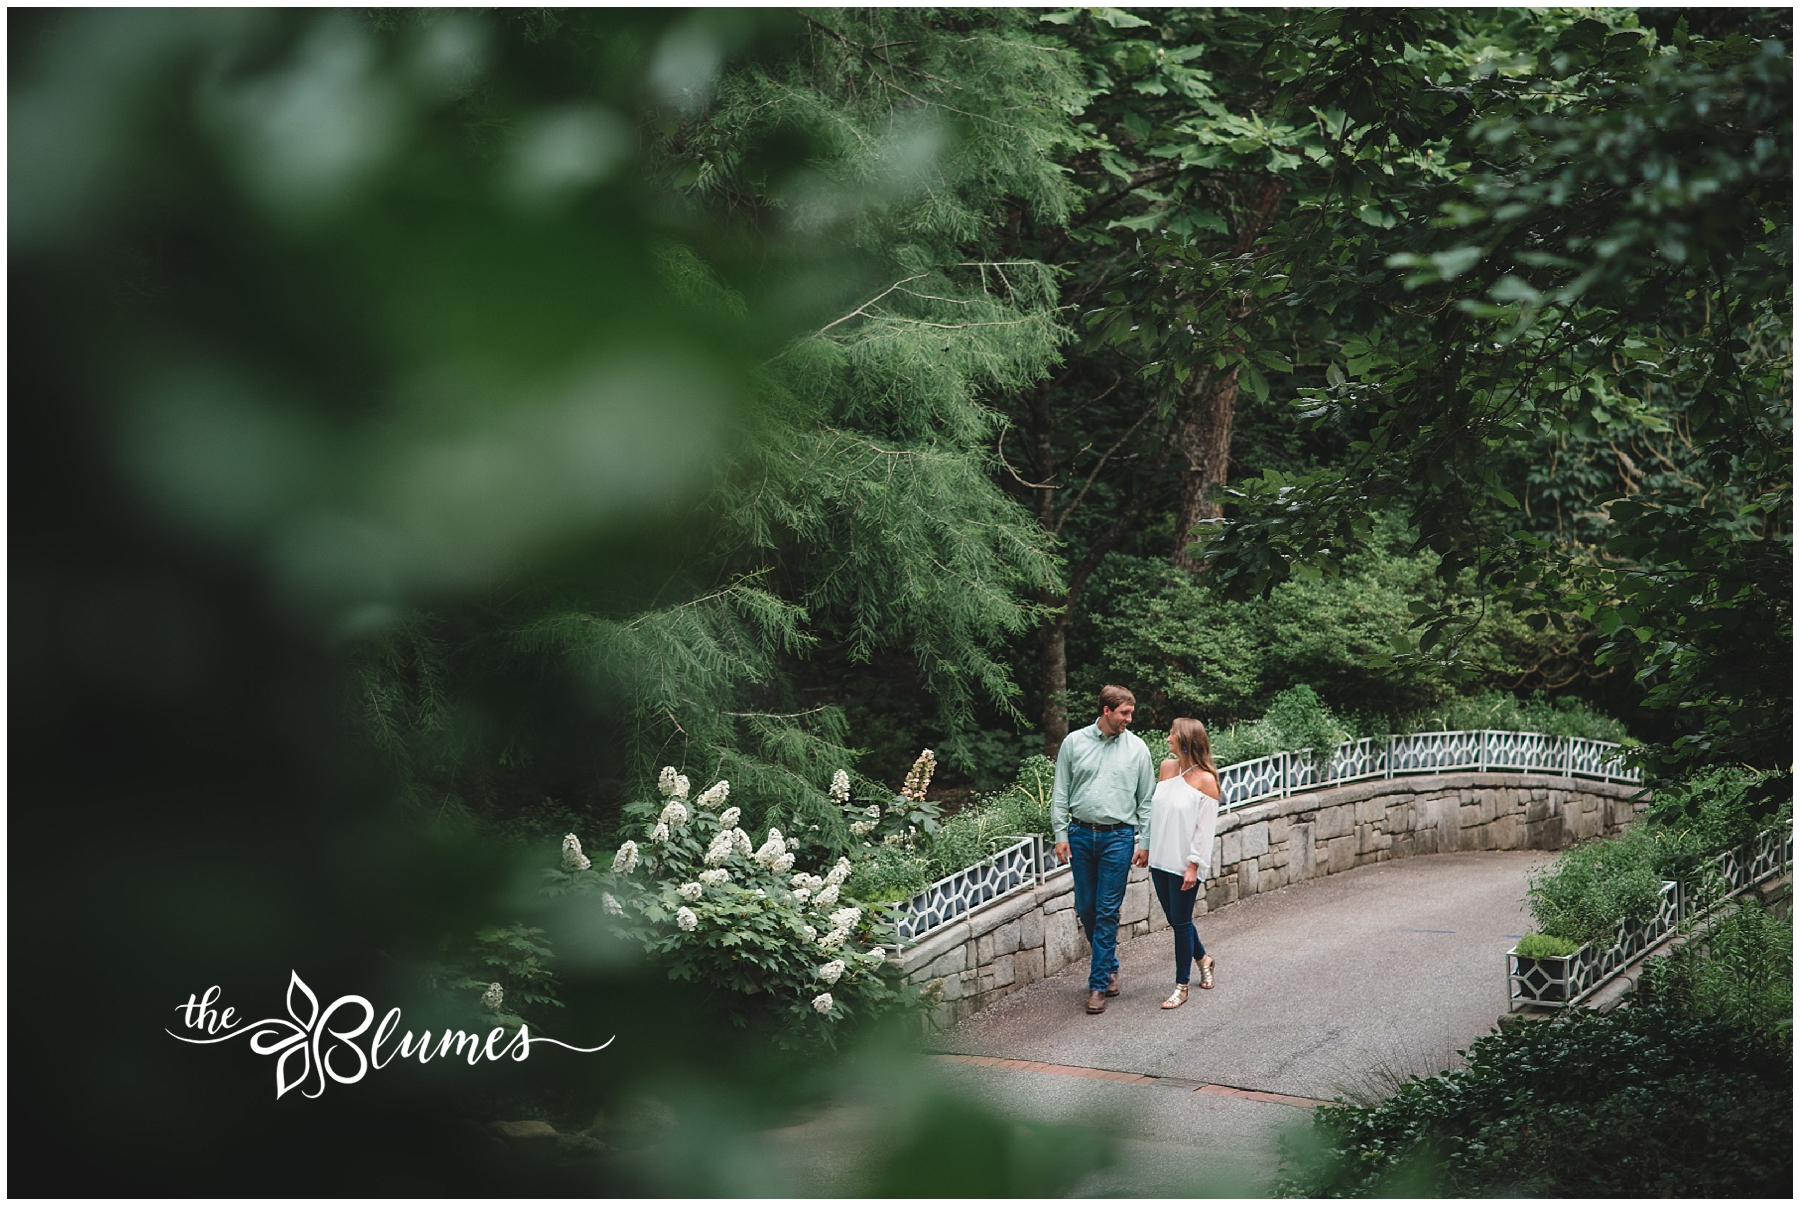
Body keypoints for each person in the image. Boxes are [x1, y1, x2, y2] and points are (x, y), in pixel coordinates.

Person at [1051, 685, 1155, 1015]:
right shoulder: (1074, 743)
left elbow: (1147, 801)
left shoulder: (1137, 749)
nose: (1129, 718)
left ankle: (1098, 985)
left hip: (1118, 838)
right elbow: (1060, 791)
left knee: (1107, 909)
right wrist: (1059, 833)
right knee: (1086, 908)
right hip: (1080, 835)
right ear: (1107, 711)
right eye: (1124, 713)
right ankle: (1109, 965)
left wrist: (1145, 841)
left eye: (1131, 713)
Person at [1147, 717, 1220, 1009]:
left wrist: (1193, 866)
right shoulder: (1167, 768)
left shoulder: (1206, 780)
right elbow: (1158, 812)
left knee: (1179, 924)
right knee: (1178, 921)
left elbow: (1205, 830)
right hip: (1160, 858)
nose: (1168, 739)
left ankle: (1181, 986)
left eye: (1172, 735)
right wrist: (1146, 848)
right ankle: (1204, 959)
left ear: (1186, 741)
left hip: (1185, 864)